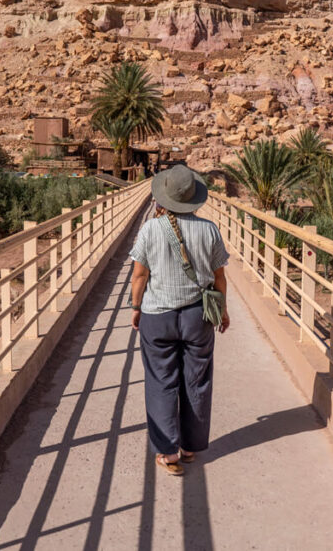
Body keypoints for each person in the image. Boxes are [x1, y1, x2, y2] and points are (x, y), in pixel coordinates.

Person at [129, 164, 230, 476]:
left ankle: (168, 452)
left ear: (163, 198)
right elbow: (219, 279)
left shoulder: (149, 229)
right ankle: (189, 448)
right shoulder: (209, 230)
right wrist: (222, 310)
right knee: (196, 381)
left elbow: (139, 275)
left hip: (157, 317)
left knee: (161, 382)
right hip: (197, 316)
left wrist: (136, 307)